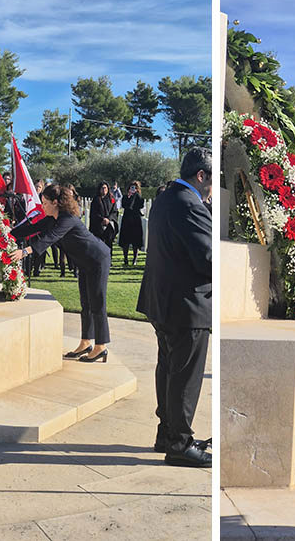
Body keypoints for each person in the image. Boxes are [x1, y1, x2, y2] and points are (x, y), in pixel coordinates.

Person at [137, 148, 212, 468]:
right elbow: (207, 259)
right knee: (185, 376)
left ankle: (166, 432)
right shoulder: (190, 204)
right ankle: (180, 444)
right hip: (187, 303)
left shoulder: (166, 198)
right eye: (211, 180)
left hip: (163, 299)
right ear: (200, 175)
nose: (211, 187)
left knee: (168, 369)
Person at [10, 184, 112, 363]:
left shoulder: (67, 219)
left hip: (97, 259)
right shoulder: (52, 218)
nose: (42, 207)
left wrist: (25, 252)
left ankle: (101, 346)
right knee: (86, 303)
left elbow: (50, 238)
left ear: (56, 202)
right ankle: (86, 342)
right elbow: (31, 229)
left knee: (97, 302)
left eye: (45, 203)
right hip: (85, 263)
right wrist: (7, 233)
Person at [119, 180, 145, 267]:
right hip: (127, 220)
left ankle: (135, 259)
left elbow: (141, 205)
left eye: (135, 188)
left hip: (136, 220)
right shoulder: (125, 197)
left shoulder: (138, 197)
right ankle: (125, 258)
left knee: (136, 241)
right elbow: (125, 205)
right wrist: (130, 196)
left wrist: (135, 195)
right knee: (125, 241)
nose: (133, 189)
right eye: (131, 187)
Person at [89, 181, 119, 252]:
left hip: (109, 226)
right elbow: (94, 213)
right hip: (98, 226)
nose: (104, 190)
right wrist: (102, 219)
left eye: (105, 188)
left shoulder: (111, 199)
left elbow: (114, 211)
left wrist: (108, 219)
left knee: (109, 245)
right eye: (102, 188)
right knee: (99, 246)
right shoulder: (96, 200)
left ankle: (108, 261)